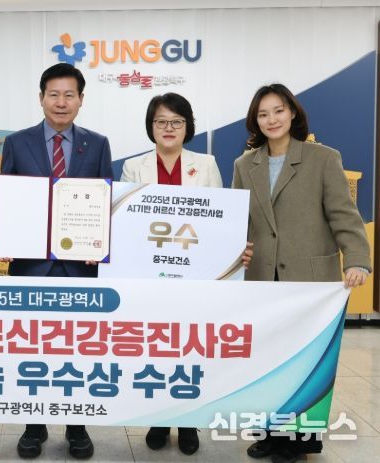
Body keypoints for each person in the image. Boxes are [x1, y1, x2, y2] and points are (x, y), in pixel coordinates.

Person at [232, 83, 371, 463]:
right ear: (255, 121)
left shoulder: (323, 158)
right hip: (262, 280)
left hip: (310, 282)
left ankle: (299, 441)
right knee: (266, 363)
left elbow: (343, 214)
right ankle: (269, 434)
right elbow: (239, 222)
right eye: (263, 114)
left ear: (292, 113)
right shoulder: (244, 165)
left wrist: (357, 258)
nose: (271, 119)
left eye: (278, 110)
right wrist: (233, 253)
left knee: (306, 364)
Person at [0, 63, 113, 459]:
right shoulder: (18, 143)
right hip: (31, 267)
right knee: (32, 349)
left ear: (81, 100)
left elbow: (105, 204)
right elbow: (7, 200)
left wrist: (99, 242)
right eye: (54, 94)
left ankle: (76, 426)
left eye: (69, 95)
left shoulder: (98, 144)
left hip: (79, 268)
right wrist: (3, 235)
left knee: (77, 350)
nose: (61, 102)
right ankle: (34, 426)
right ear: (41, 98)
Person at [121, 92, 220, 456]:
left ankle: (189, 421)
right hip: (150, 275)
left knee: (189, 348)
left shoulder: (205, 164)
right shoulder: (134, 167)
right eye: (161, 121)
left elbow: (219, 219)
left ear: (187, 126)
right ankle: (160, 418)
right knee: (158, 348)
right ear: (151, 126)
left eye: (176, 121)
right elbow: (127, 223)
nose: (168, 128)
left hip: (193, 275)